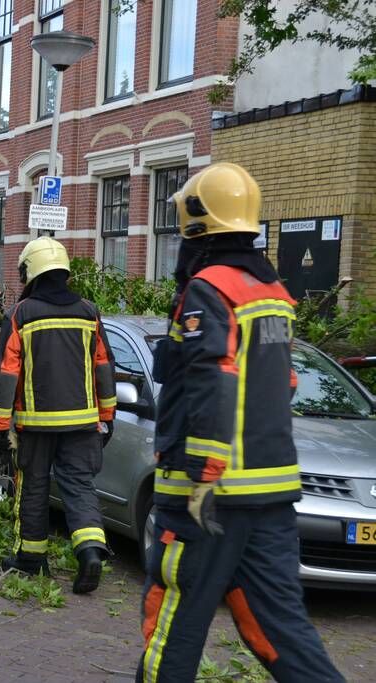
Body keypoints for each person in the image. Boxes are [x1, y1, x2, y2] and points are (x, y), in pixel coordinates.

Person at [136, 163, 343, 682]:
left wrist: (204, 474)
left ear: (198, 221)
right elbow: (284, 385)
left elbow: (213, 377)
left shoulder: (210, 288)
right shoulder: (274, 292)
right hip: (272, 496)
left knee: (174, 622)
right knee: (281, 630)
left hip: (209, 498)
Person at [0, 236, 116, 594]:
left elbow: (7, 373)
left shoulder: (21, 314)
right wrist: (108, 415)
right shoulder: (89, 312)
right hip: (82, 423)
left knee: (33, 487)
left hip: (37, 423)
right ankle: (90, 550)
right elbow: (103, 365)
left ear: (31, 271)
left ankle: (31, 558)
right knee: (79, 487)